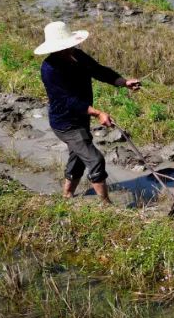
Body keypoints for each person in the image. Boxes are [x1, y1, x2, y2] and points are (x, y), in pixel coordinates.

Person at [36, 21, 141, 203]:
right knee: (95, 160)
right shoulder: (49, 69)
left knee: (78, 156)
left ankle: (67, 195)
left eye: (70, 45)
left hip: (80, 118)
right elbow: (67, 100)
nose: (69, 49)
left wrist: (122, 82)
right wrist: (98, 113)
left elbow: (98, 70)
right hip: (65, 122)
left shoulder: (77, 56)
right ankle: (106, 205)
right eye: (64, 47)